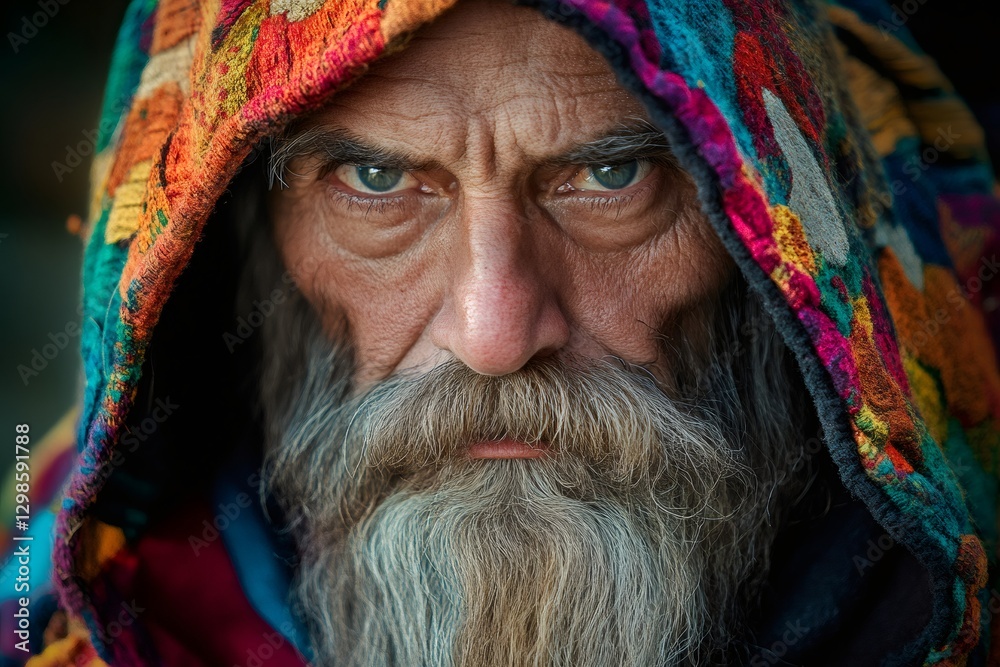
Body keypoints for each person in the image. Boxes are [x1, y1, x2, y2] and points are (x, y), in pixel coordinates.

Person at [4, 0, 999, 665]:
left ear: (784, 231)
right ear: (235, 244)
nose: (494, 334)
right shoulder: (55, 621)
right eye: (378, 180)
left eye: (611, 176)